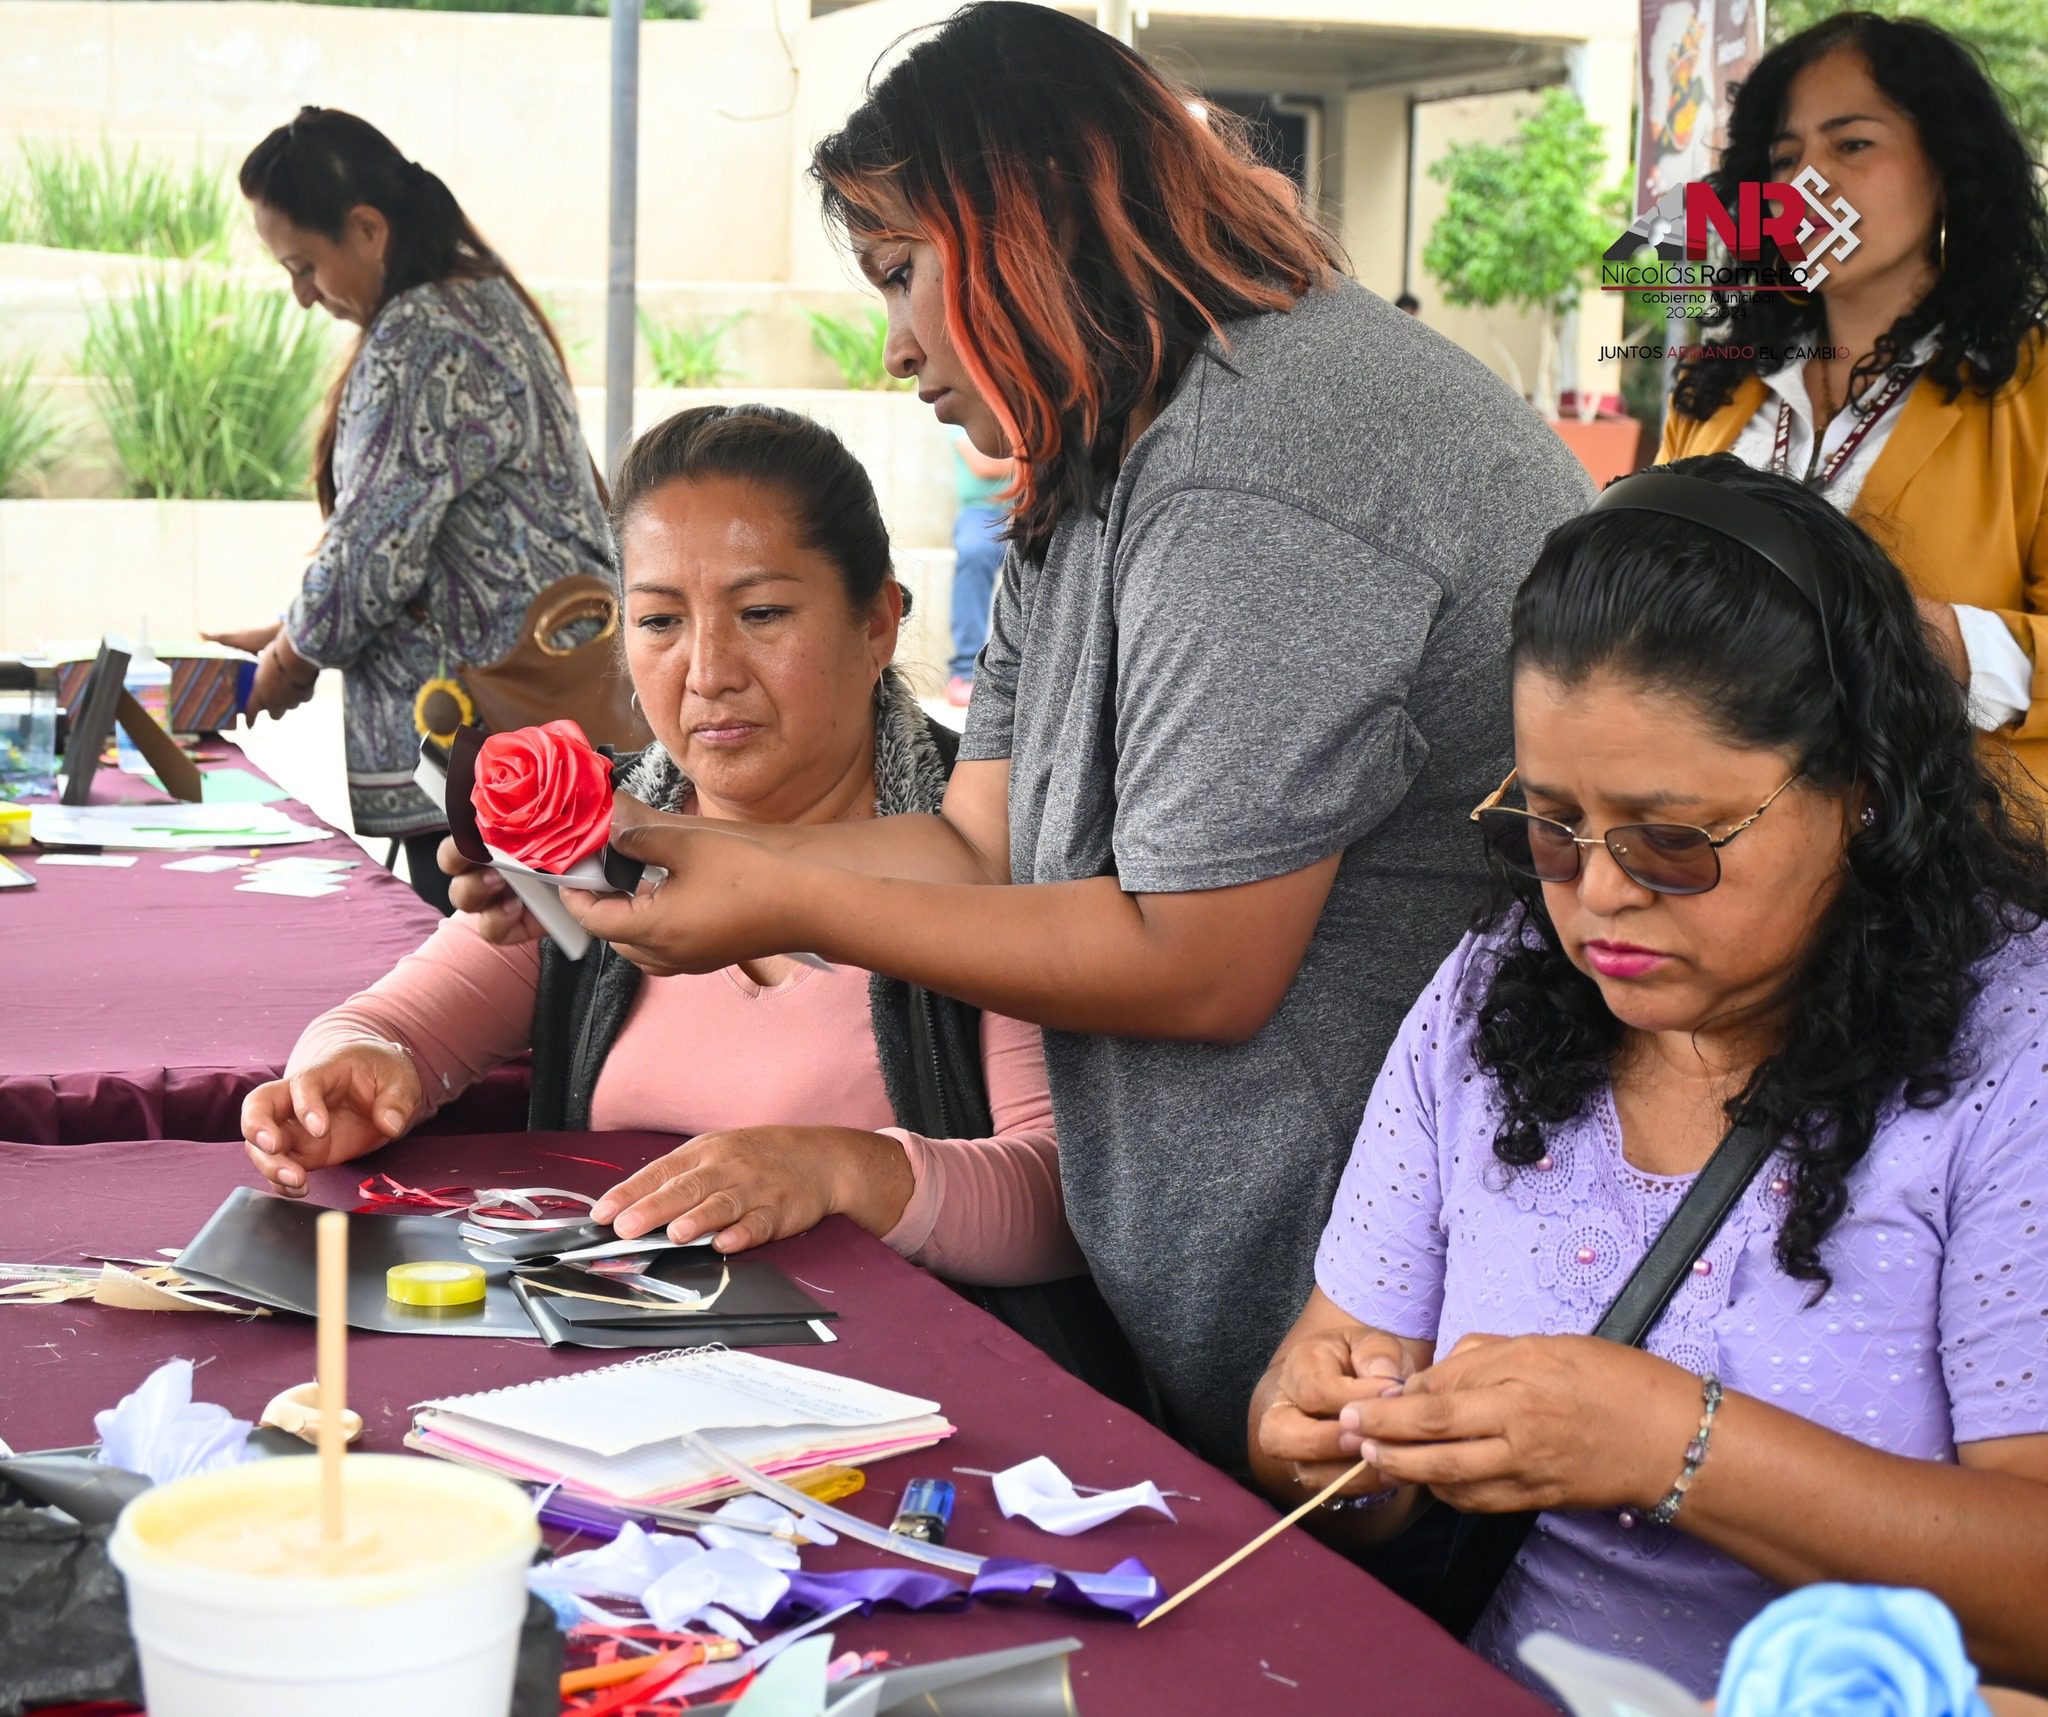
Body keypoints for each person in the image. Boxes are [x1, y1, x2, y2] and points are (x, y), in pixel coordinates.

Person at [464, 1, 1594, 1470]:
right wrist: (666, 852)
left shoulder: (1262, 466)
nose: (894, 349)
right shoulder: (1099, 441)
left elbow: (1201, 962)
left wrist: (787, 893)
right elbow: (977, 841)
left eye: (899, 275)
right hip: (1271, 1297)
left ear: (1026, 220)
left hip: (1412, 1312)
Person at [1251, 454, 2048, 1696]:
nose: (1599, 892)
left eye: (1672, 840)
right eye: (1550, 825)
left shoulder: (2014, 1050)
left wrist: (1670, 1443)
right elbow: (1339, 1385)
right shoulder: (1491, 994)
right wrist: (1323, 1444)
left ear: (1865, 795)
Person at [241, 407, 1098, 1331]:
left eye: (762, 612)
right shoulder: (597, 838)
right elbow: (389, 1025)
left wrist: (843, 1170)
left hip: (907, 1397)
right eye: (659, 620)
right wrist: (353, 1070)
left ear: (878, 623)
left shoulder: (988, 849)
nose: (708, 671)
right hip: (621, 1380)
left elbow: (1062, 1201)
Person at [208, 107, 612, 912]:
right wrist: (291, 633)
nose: (301, 297)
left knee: (504, 982)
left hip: (489, 750)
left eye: (304, 267)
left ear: (366, 229)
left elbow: (369, 559)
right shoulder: (473, 302)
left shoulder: (424, 335)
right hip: (529, 736)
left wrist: (288, 663)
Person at [1658, 14, 2048, 787]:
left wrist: (1925, 639)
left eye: (1852, 144)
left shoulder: (2033, 387)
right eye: (1784, 157)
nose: (1808, 182)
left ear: (1946, 169)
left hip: (1955, 864)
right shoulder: (1715, 385)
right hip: (1705, 841)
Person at [944, 426, 1013, 707]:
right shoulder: (957, 412)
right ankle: (964, 670)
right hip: (981, 512)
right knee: (974, 551)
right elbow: (983, 464)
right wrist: (1038, 461)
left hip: (1032, 506)